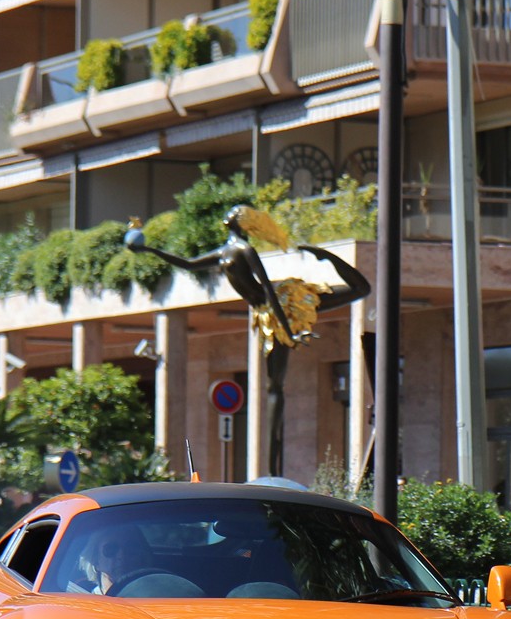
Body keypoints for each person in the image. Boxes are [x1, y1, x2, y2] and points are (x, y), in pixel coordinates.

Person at [125, 207, 369, 476]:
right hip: (267, 314)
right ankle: (272, 470)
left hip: (285, 305)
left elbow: (267, 288)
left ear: (242, 222)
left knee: (276, 385)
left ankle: (328, 257)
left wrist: (287, 328)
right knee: (273, 386)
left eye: (235, 213)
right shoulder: (225, 251)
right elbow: (188, 264)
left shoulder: (244, 250)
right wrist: (150, 251)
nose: (228, 214)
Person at [83, 524, 152, 595]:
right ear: (95, 560)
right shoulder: (85, 601)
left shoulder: (156, 595)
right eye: (110, 549)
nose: (122, 555)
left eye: (131, 548)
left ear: (141, 556)